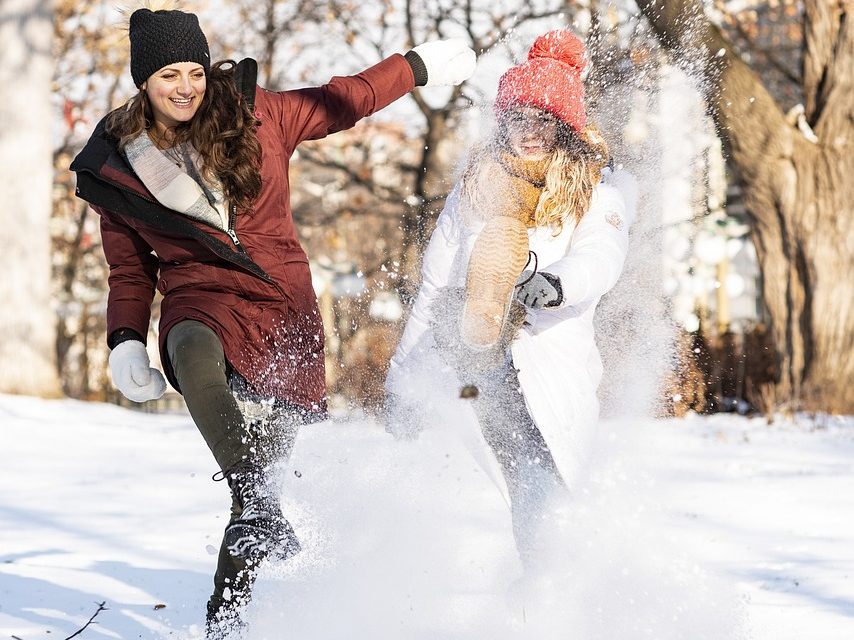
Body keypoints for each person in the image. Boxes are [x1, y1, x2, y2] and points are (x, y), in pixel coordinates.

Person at [70, 6, 476, 636]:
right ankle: (255, 501)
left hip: (282, 309)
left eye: (194, 72)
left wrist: (417, 66)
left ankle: (224, 621)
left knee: (255, 490)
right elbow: (130, 272)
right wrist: (125, 339)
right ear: (143, 82)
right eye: (168, 74)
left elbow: (348, 98)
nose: (185, 86)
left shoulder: (262, 116)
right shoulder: (119, 167)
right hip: (198, 295)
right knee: (192, 350)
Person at [384, 30, 636, 570]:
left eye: (544, 120)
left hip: (545, 359)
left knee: (538, 480)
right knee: (474, 493)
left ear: (566, 129)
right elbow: (430, 286)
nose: (530, 131)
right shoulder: (476, 185)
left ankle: (550, 595)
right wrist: (403, 379)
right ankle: (481, 317)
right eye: (519, 117)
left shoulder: (596, 192)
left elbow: (603, 255)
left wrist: (558, 282)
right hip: (476, 367)